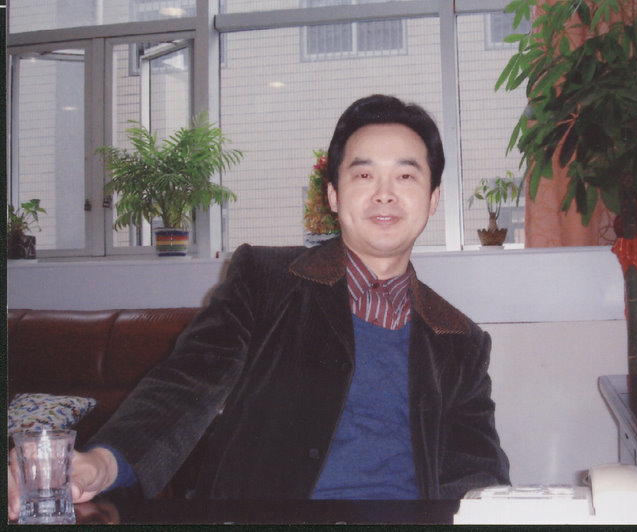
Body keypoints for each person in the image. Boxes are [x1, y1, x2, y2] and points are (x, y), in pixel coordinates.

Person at [8, 95, 509, 515]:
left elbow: (474, 472)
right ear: (333, 195)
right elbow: (186, 384)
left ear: (432, 199)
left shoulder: (460, 340)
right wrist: (103, 462)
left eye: (406, 176)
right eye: (363, 176)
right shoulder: (265, 281)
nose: (384, 195)